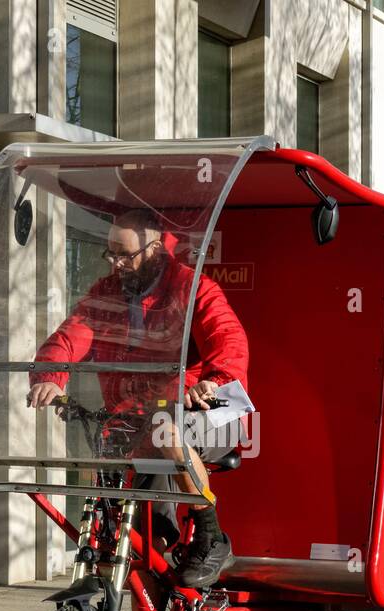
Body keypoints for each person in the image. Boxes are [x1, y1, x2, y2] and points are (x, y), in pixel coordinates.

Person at [26, 208, 249, 588]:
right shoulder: (105, 295)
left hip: (208, 411)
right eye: (110, 253)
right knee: (144, 545)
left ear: (155, 248)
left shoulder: (190, 288)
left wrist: (213, 381)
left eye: (124, 254)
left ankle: (212, 536)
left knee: (166, 430)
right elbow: (68, 338)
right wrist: (50, 377)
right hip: (138, 423)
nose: (116, 263)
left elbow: (229, 341)